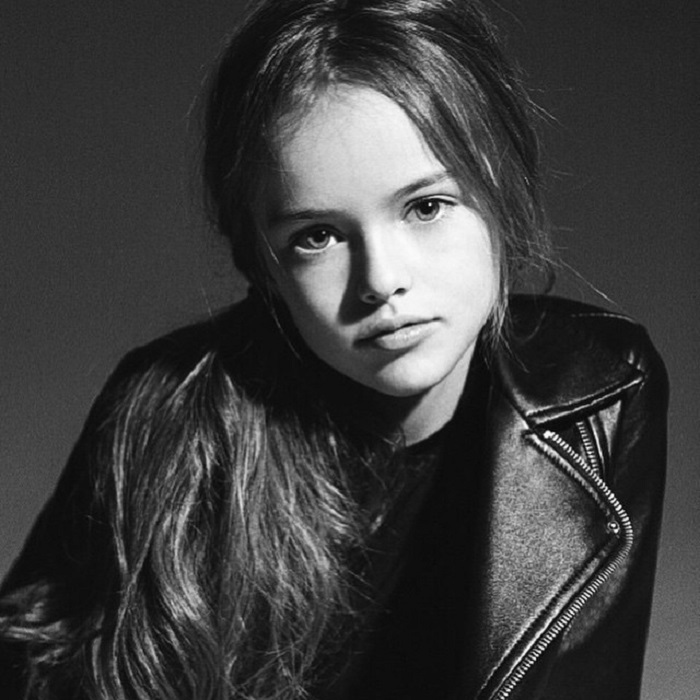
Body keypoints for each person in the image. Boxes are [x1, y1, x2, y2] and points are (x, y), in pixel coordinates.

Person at [0, 0, 668, 698]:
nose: (381, 280)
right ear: (262, 266)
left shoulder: (598, 394)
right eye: (317, 236)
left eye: (426, 206)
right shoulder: (164, 414)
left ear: (502, 186)